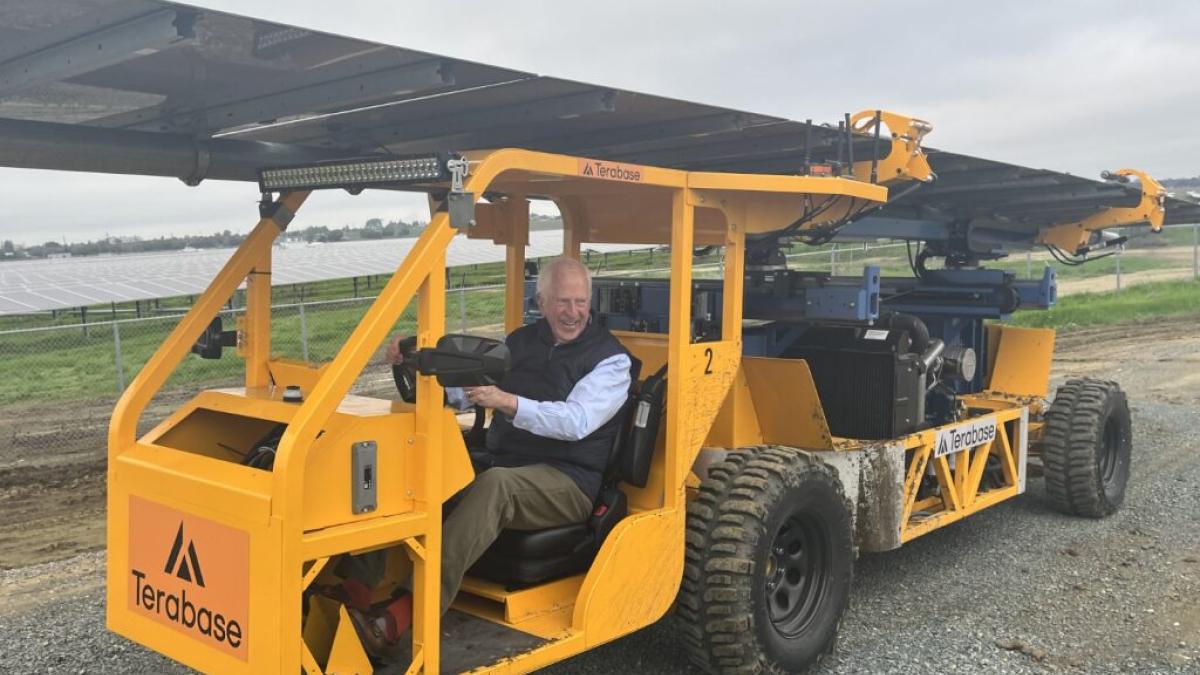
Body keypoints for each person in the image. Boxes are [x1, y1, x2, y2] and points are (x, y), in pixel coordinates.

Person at [340, 257, 633, 658]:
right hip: (505, 459)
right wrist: (415, 359)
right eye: (563, 302)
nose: (574, 313)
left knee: (496, 487)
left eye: (581, 302)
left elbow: (576, 422)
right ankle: (353, 591)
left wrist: (509, 403)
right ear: (542, 301)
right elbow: (467, 390)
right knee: (413, 463)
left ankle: (406, 613)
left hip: (568, 479)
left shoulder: (610, 360)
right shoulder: (520, 342)